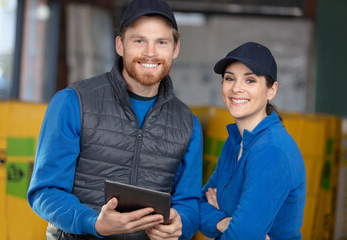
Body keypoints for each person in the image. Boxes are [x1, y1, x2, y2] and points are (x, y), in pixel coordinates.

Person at [27, 0, 203, 239]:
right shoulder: (72, 102)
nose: (150, 52)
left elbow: (189, 202)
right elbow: (45, 191)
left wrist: (181, 224)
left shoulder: (188, 124)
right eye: (139, 40)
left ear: (175, 48)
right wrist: (93, 223)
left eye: (161, 42)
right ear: (120, 45)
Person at [199, 42, 306, 240]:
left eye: (250, 81)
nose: (236, 88)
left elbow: (241, 236)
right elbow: (199, 205)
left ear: (272, 90)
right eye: (230, 78)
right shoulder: (235, 143)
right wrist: (223, 222)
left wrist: (222, 220)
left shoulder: (271, 150)